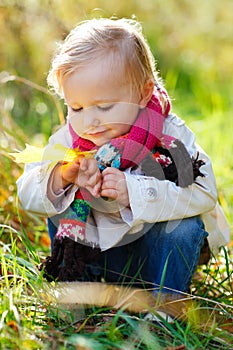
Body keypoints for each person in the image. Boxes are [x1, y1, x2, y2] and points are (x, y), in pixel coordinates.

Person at [17, 18, 230, 294]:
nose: (90, 121)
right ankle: (77, 295)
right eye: (77, 107)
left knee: (185, 228)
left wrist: (134, 191)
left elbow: (204, 192)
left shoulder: (169, 136)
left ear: (143, 94)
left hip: (154, 257)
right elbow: (26, 193)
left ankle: (164, 306)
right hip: (97, 256)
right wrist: (63, 176)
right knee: (56, 204)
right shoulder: (71, 140)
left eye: (104, 107)